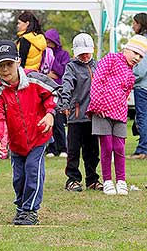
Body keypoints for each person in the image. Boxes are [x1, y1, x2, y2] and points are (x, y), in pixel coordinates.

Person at [0, 40, 59, 225]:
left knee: (33, 171)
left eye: (9, 64)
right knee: (19, 178)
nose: (6, 70)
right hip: (17, 143)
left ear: (18, 61)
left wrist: (50, 113)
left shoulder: (35, 79)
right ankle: (21, 208)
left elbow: (55, 92)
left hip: (39, 137)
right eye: (1, 66)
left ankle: (30, 211)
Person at [87, 34, 147, 195]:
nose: (138, 58)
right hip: (102, 111)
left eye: (141, 56)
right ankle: (107, 181)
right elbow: (98, 79)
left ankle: (121, 180)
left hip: (119, 112)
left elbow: (126, 91)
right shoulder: (111, 59)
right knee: (106, 146)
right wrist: (98, 103)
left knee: (119, 147)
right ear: (127, 49)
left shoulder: (131, 71)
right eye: (136, 53)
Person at [59, 33, 102, 192]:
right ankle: (73, 180)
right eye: (81, 53)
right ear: (74, 52)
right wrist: (64, 101)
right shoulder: (71, 67)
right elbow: (67, 84)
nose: (84, 56)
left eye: (87, 52)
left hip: (93, 117)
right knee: (73, 151)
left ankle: (92, 179)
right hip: (76, 116)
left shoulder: (97, 65)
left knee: (93, 152)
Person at [44, 28, 70, 157]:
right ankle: (51, 148)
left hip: (59, 90)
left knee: (59, 121)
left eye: (50, 41)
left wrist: (52, 58)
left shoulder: (63, 54)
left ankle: (63, 148)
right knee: (49, 120)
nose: (48, 43)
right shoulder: (43, 53)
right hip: (46, 91)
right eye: (46, 41)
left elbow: (63, 71)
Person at [127, 13, 147, 159]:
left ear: (140, 24)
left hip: (142, 86)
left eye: (134, 23)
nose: (133, 26)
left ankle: (142, 150)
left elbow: (140, 69)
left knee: (142, 117)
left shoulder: (141, 41)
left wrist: (128, 79)